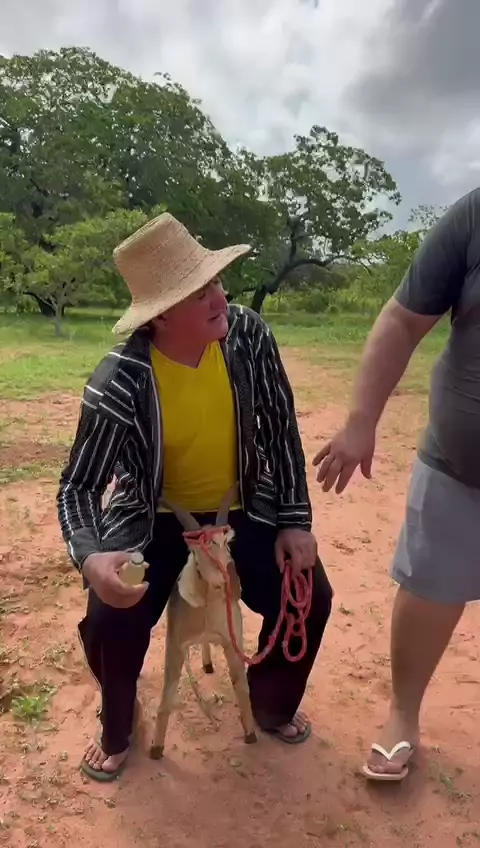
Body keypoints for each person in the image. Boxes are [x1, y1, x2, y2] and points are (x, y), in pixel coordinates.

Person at [58, 212, 333, 782]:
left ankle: (271, 703)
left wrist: (294, 520)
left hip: (244, 506)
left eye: (217, 283)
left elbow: (281, 431)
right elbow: (78, 486)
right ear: (160, 315)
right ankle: (118, 725)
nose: (220, 298)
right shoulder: (121, 380)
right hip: (152, 516)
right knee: (109, 618)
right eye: (200, 291)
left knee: (310, 596)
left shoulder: (249, 336)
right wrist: (91, 557)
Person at [313, 187, 480, 781]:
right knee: (429, 587)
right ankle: (403, 715)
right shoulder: (474, 215)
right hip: (460, 465)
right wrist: (361, 422)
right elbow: (403, 320)